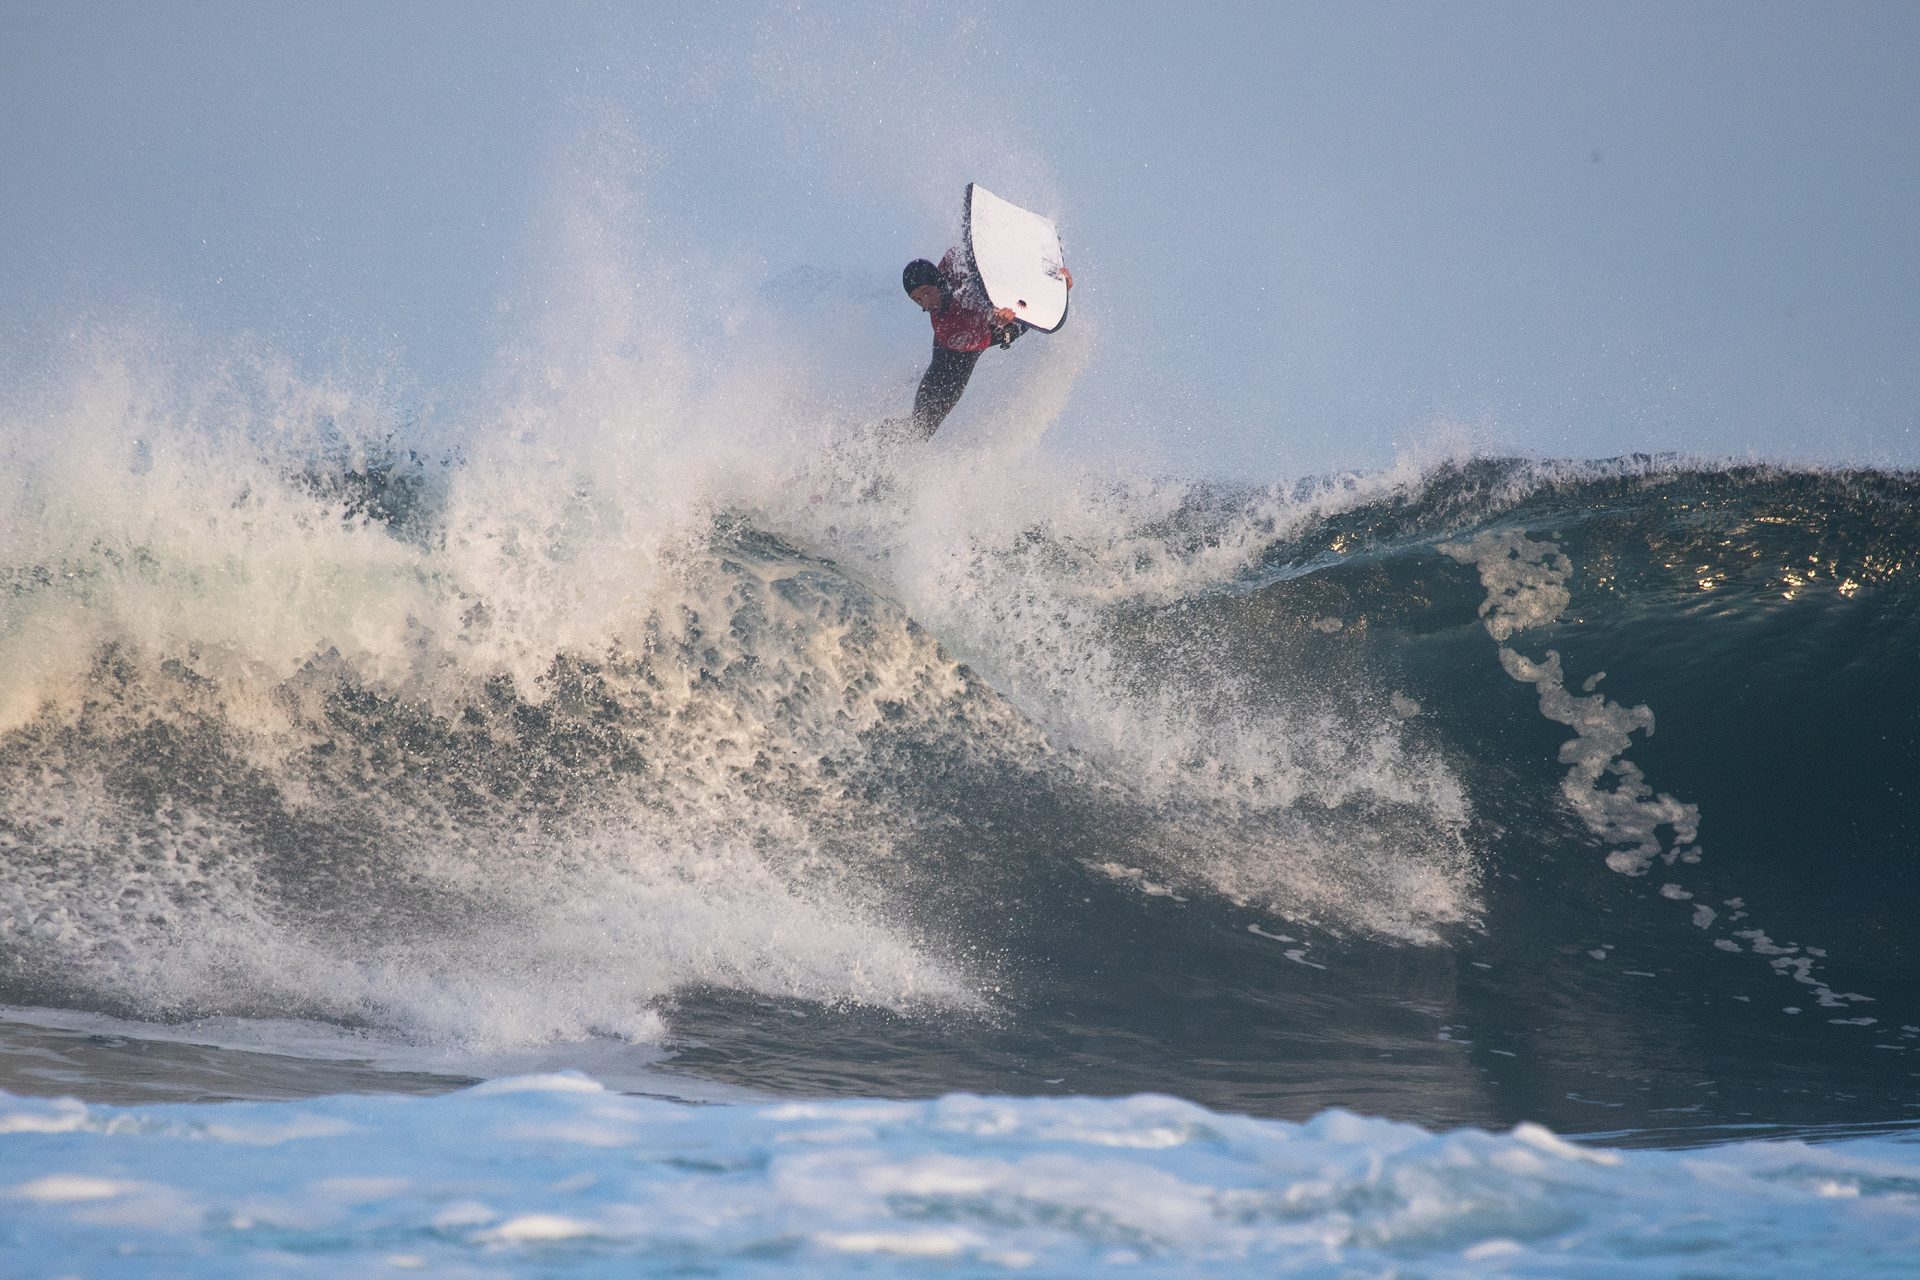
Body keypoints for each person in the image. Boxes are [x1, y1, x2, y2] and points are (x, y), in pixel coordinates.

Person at [898, 248, 1071, 439]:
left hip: (989, 320)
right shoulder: (946, 327)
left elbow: (975, 250)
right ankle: (876, 443)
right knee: (921, 429)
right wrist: (997, 319)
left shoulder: (951, 263)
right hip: (953, 366)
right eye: (917, 299)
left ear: (937, 281)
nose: (925, 303)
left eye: (927, 292)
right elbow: (985, 337)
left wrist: (1057, 283)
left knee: (918, 429)